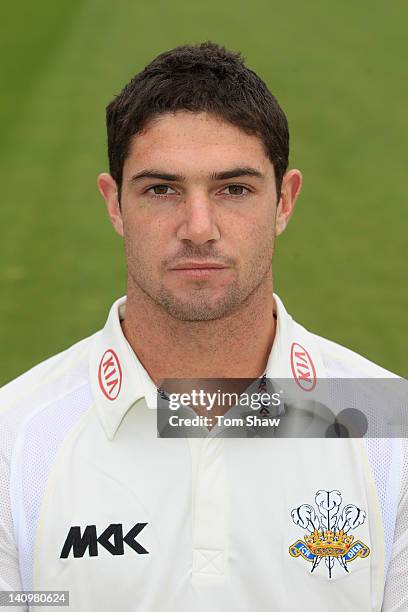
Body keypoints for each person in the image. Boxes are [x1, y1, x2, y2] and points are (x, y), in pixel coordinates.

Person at [0, 42, 406, 612]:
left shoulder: (392, 430)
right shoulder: (14, 440)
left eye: (233, 189)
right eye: (161, 189)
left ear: (284, 201)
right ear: (114, 203)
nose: (198, 227)